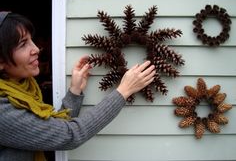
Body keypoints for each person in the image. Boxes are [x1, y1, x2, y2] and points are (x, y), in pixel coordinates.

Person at [0, 11, 156, 161]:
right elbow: (68, 135)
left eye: (31, 40)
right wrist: (123, 91)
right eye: (23, 44)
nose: (36, 49)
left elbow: (53, 131)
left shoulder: (24, 91)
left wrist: (75, 91)